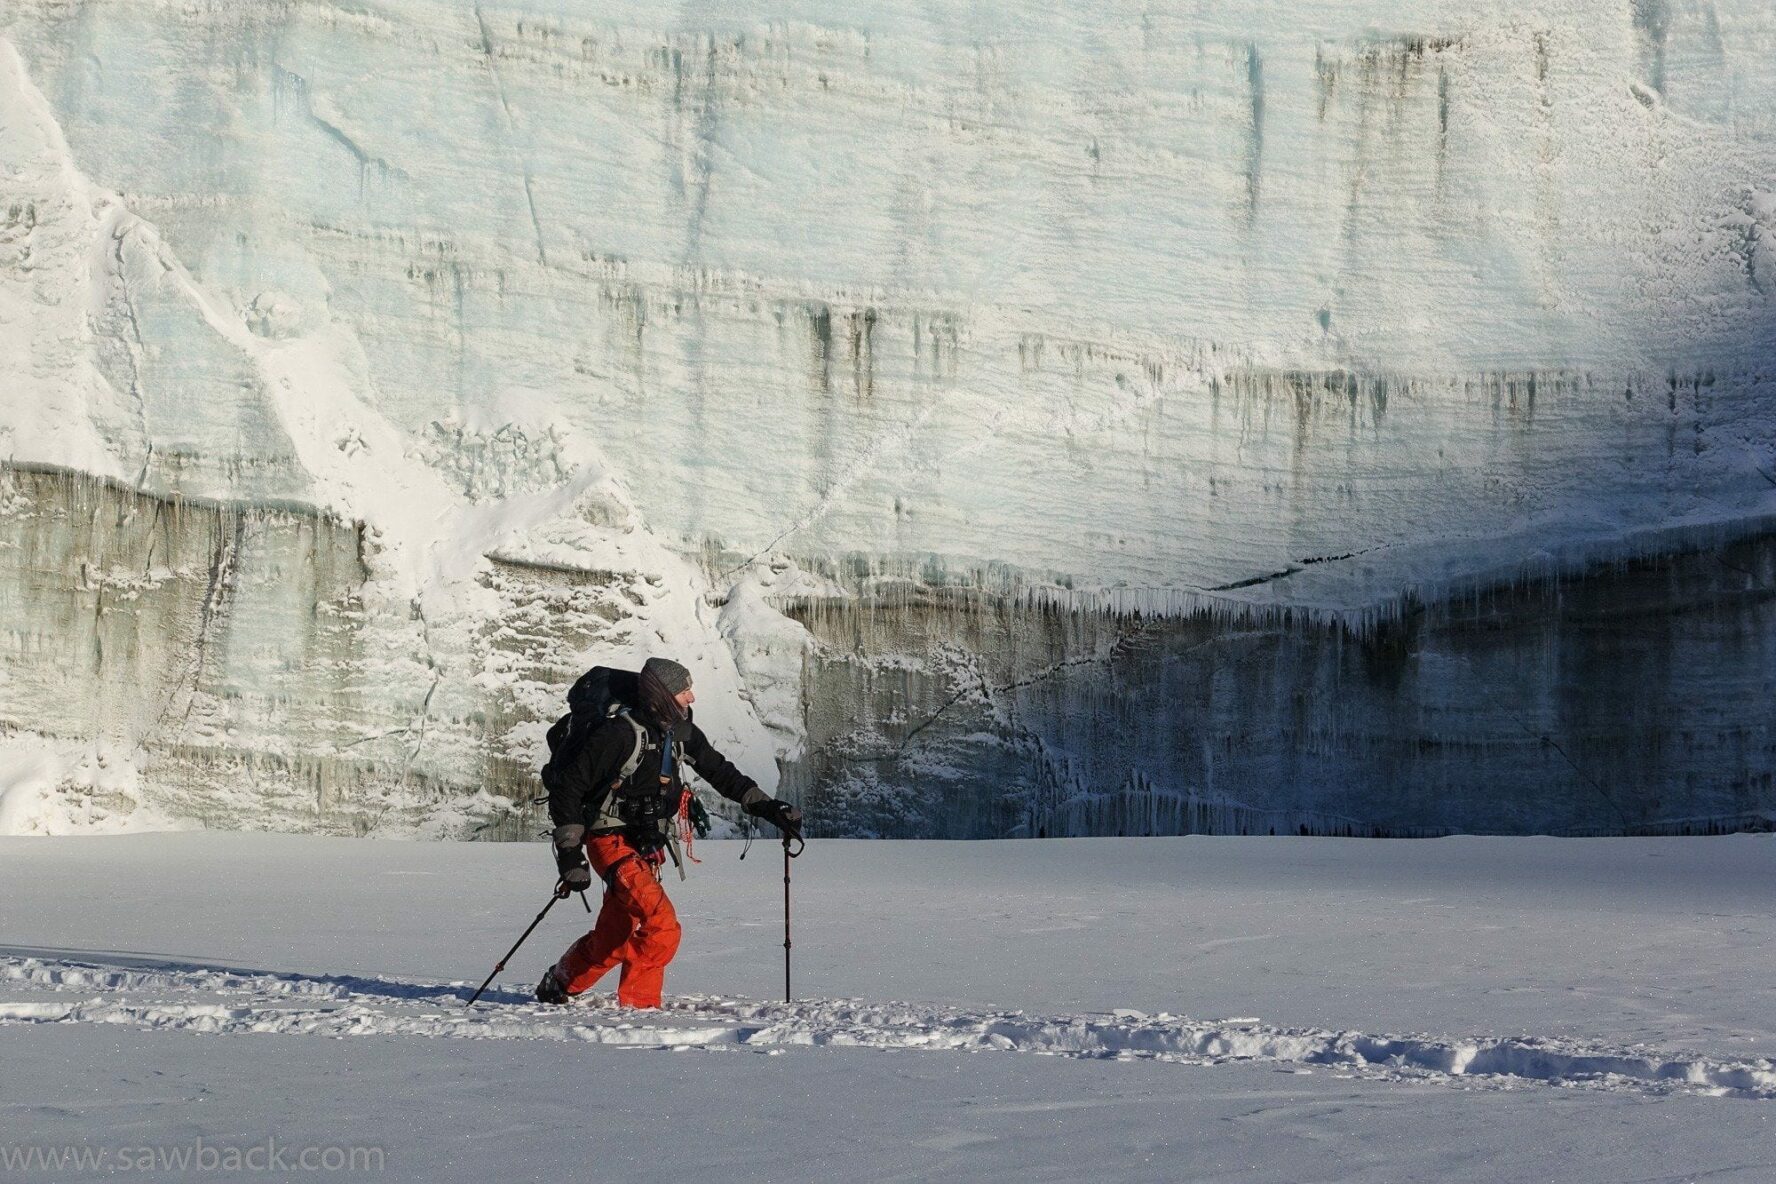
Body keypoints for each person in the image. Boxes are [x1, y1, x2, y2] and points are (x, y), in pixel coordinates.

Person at [536, 657, 802, 1008]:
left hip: (645, 846)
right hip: (610, 842)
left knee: (613, 936)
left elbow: (719, 771)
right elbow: (568, 790)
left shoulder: (679, 731)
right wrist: (571, 854)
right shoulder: (616, 735)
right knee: (662, 926)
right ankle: (640, 1010)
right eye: (683, 690)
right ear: (661, 695)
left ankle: (559, 983)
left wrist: (768, 807)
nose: (691, 697)